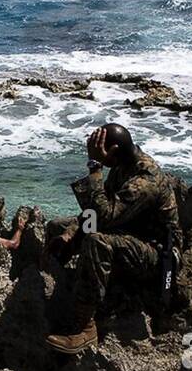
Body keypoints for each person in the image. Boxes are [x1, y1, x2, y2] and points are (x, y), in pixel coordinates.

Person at [43, 123, 178, 354]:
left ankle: (85, 328)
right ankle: (56, 281)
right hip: (128, 233)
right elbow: (96, 211)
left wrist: (95, 167)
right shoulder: (122, 166)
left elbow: (103, 217)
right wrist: (69, 234)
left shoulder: (145, 179)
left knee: (96, 241)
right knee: (57, 226)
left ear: (113, 151)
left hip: (156, 255)